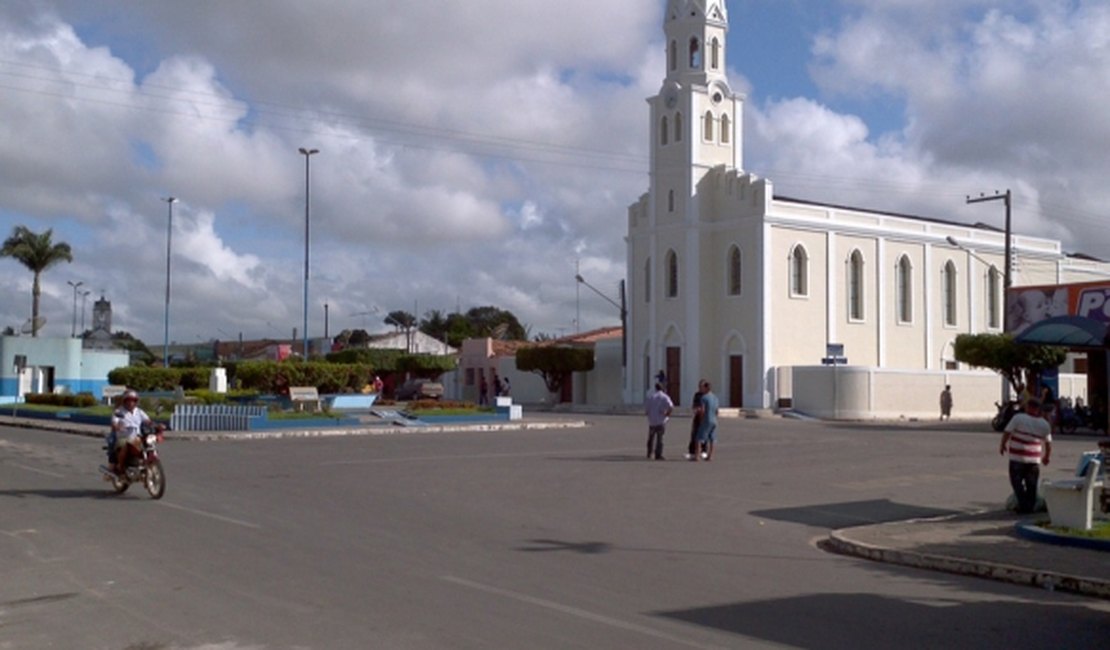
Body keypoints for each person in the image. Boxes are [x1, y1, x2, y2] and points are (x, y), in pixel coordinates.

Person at [1000, 397, 1052, 514]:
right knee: (1031, 485)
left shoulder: (1018, 418)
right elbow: (1048, 443)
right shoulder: (1044, 424)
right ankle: (1029, 506)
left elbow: (1007, 432)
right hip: (1033, 459)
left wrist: (1003, 445)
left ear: (1028, 407)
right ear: (1038, 409)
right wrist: (1046, 456)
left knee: (1016, 483)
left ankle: (1024, 505)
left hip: (1017, 458)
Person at [110, 390, 152, 477]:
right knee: (125, 446)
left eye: (133, 400)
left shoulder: (139, 411)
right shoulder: (119, 411)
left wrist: (155, 425)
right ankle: (120, 467)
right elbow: (114, 422)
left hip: (136, 437)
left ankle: (145, 464)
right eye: (129, 400)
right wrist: (117, 426)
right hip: (123, 437)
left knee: (148, 445)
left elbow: (147, 420)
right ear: (125, 401)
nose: (131, 403)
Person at [644, 382, 674, 460]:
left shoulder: (651, 397)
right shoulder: (665, 397)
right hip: (661, 420)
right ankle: (658, 454)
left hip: (652, 421)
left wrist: (649, 414)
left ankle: (649, 453)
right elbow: (671, 406)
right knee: (660, 438)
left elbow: (646, 410)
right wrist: (668, 414)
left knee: (651, 438)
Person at [692, 380, 719, 462]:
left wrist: (701, 418)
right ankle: (710, 456)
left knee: (699, 438)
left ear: (705, 388)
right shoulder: (715, 397)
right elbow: (717, 411)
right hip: (714, 420)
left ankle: (697, 456)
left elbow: (702, 410)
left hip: (706, 420)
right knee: (712, 439)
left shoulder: (704, 397)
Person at [686, 384, 705, 460]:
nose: (700, 388)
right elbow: (694, 404)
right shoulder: (697, 395)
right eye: (699, 386)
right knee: (694, 434)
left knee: (703, 434)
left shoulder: (707, 396)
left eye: (702, 386)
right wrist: (695, 409)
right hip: (697, 416)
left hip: (704, 417)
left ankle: (703, 450)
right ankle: (692, 451)